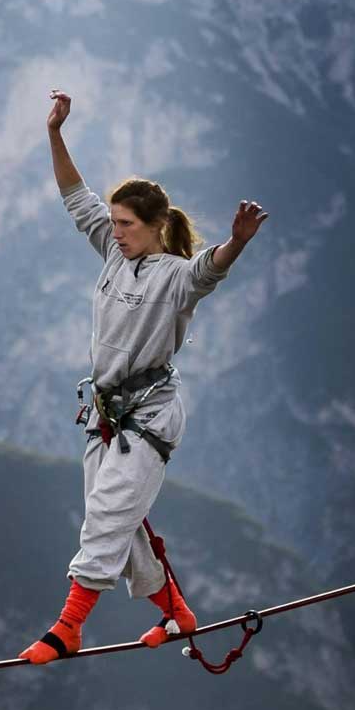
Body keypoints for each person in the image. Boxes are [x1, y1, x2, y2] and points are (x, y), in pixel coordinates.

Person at [24, 87, 267, 664]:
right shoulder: (112, 249)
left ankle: (68, 628)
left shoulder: (176, 276)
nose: (118, 230)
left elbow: (211, 270)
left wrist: (237, 241)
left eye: (128, 223)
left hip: (150, 416)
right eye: (114, 222)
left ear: (156, 226)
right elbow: (72, 194)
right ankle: (177, 614)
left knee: (108, 516)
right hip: (106, 414)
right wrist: (55, 133)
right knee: (122, 527)